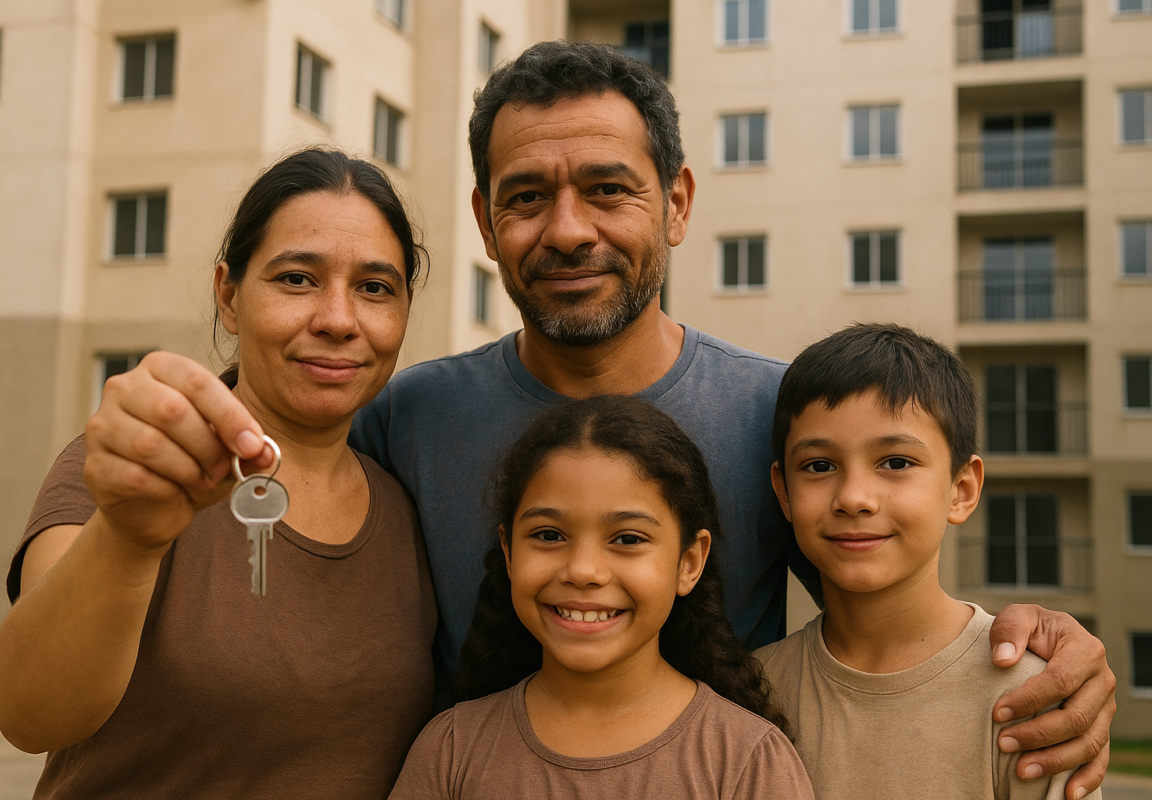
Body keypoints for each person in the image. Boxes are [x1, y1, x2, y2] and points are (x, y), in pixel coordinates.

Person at [349, 40, 1115, 798]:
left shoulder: (780, 420)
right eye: (526, 197)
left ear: (677, 203)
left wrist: (1028, 646)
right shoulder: (402, 417)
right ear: (485, 222)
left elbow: (892, 618)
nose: (570, 230)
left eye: (609, 189)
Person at [0, 149, 437, 799]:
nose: (338, 320)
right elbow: (31, 714)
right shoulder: (135, 467)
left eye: (374, 288)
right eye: (296, 279)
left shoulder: (404, 505)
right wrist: (130, 536)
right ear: (229, 296)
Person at [388, 396, 815, 799]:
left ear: (689, 562)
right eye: (548, 535)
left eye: (628, 538)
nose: (583, 570)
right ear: (509, 551)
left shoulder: (747, 760)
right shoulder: (451, 751)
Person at [756, 323, 1104, 799]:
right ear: (784, 492)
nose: (854, 498)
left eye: (896, 462)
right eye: (819, 466)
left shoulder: (1030, 696)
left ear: (962, 490)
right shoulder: (752, 692)